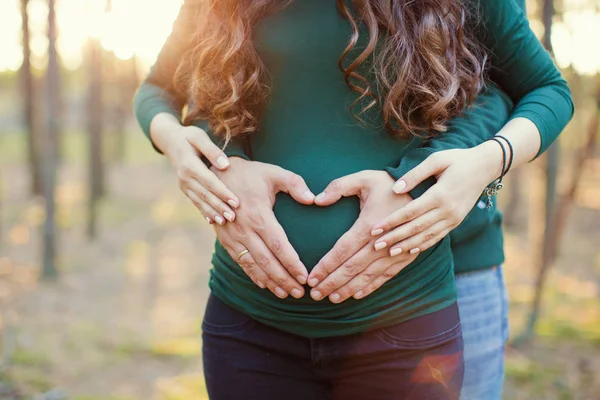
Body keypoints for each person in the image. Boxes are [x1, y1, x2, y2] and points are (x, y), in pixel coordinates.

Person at [134, 0, 573, 398]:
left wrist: (485, 164)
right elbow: (162, 92)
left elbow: (537, 88)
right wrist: (190, 152)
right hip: (251, 319)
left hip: (414, 304)